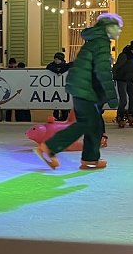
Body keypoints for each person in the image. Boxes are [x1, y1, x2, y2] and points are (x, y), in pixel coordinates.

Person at [33, 13, 122, 171]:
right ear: (108, 28)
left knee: (94, 125)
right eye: (117, 27)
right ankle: (48, 148)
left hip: (83, 88)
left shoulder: (94, 41)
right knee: (85, 123)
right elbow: (103, 71)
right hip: (85, 89)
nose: (119, 31)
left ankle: (90, 159)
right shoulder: (101, 43)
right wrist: (112, 96)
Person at [113, 40, 133, 128]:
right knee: (123, 99)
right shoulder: (124, 56)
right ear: (132, 49)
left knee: (132, 98)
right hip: (121, 79)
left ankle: (131, 116)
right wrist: (114, 76)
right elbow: (116, 67)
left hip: (129, 79)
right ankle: (120, 117)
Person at [46, 52, 72, 121]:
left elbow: (71, 65)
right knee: (56, 104)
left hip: (64, 88)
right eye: (55, 59)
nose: (56, 61)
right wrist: (57, 72)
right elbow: (49, 67)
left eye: (58, 59)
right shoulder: (51, 65)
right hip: (55, 88)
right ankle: (56, 117)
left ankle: (64, 118)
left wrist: (61, 71)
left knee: (64, 104)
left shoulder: (65, 65)